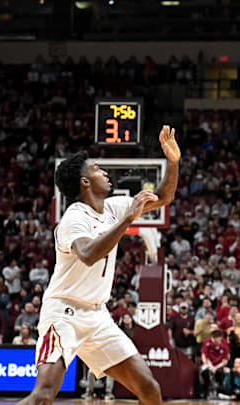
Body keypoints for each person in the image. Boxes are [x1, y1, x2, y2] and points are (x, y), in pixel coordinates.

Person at [17, 125, 180, 405]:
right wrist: (127, 220)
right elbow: (88, 254)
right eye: (96, 169)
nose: (104, 172)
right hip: (63, 313)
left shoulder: (114, 207)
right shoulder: (73, 217)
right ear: (84, 182)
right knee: (43, 396)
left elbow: (164, 197)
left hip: (98, 316)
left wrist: (173, 163)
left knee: (150, 389)